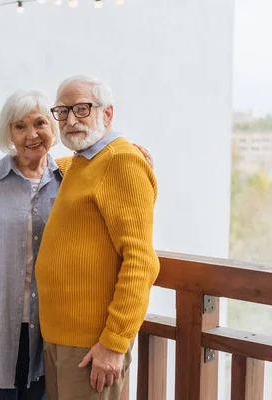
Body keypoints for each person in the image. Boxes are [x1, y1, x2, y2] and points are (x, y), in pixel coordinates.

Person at [0, 85, 155, 400]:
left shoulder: (67, 175)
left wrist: (129, 149)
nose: (31, 134)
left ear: (53, 128)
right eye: (20, 127)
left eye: (40, 123)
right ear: (8, 133)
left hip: (43, 336)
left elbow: (107, 159)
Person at [35, 75, 160, 400]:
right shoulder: (81, 163)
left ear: (107, 114)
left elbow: (141, 262)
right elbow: (35, 166)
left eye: (81, 108)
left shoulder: (121, 161)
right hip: (60, 339)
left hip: (92, 346)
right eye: (62, 112)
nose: (70, 120)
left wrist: (114, 344)